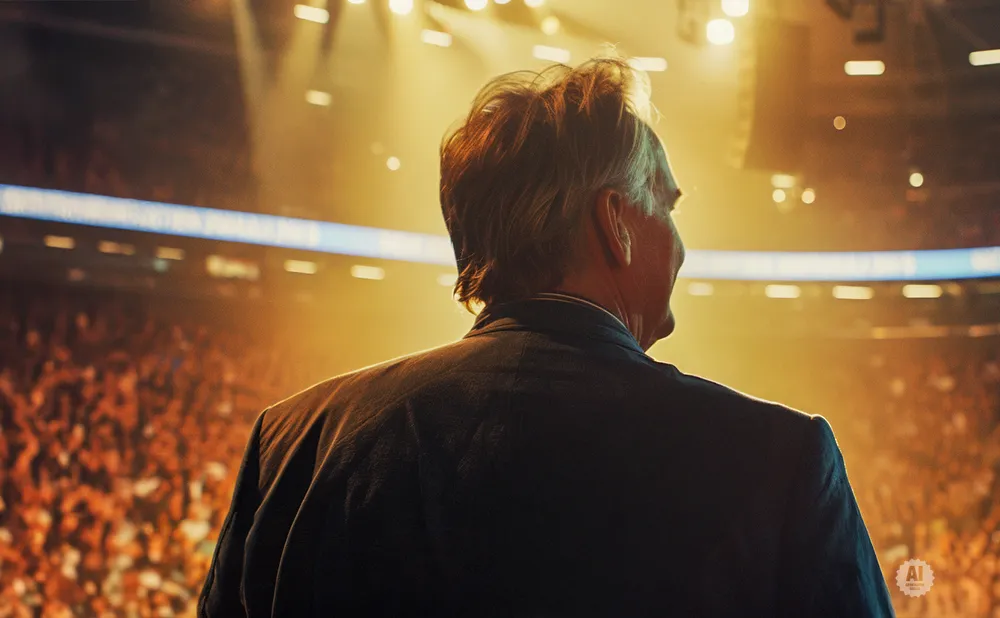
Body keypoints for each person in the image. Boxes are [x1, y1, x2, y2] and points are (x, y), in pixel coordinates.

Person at [198, 57, 895, 617]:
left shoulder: (293, 445)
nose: (680, 245)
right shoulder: (780, 461)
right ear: (615, 222)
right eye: (668, 208)